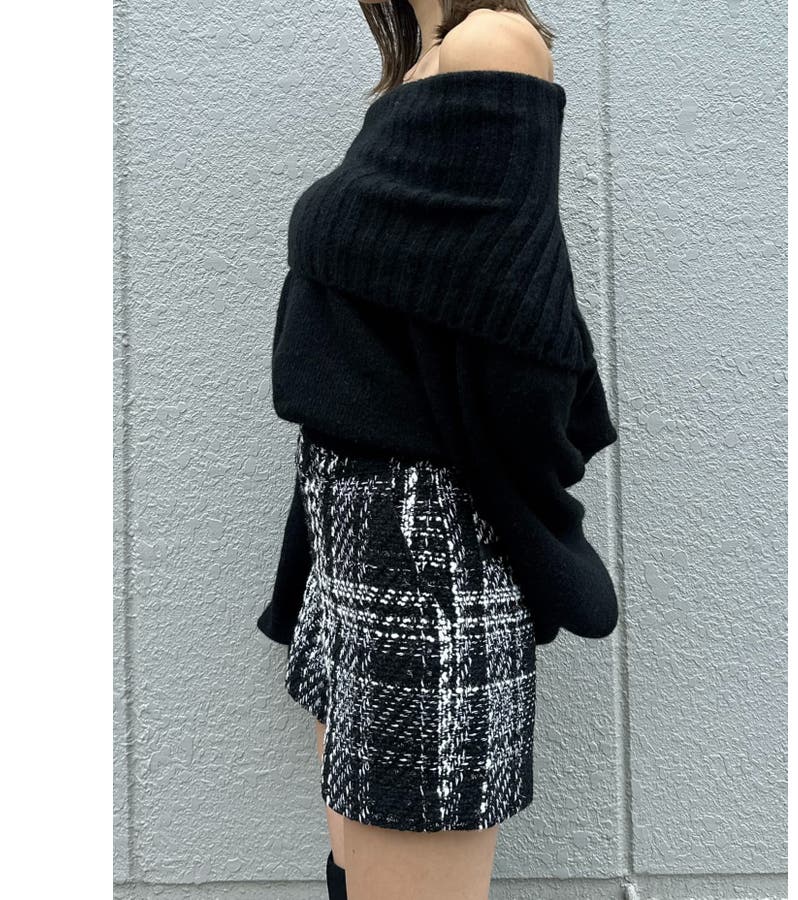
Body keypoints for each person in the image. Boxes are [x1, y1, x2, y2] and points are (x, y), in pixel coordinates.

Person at [255, 3, 620, 898]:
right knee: (359, 867)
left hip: (424, 540)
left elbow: (521, 326)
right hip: (351, 524)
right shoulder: (414, 71)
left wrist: (524, 506)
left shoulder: (493, 43)